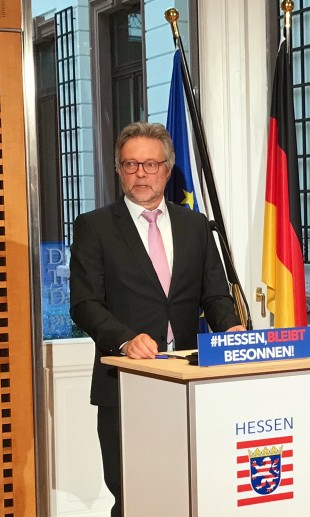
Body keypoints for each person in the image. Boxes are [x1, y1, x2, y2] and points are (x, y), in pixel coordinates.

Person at [69, 121, 245, 516]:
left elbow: (214, 294)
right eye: (130, 165)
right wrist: (125, 339)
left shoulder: (195, 225)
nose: (140, 174)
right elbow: (84, 303)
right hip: (125, 379)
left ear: (167, 169)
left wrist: (232, 330)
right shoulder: (95, 227)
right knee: (132, 492)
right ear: (118, 169)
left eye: (150, 165)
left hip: (189, 378)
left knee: (190, 486)